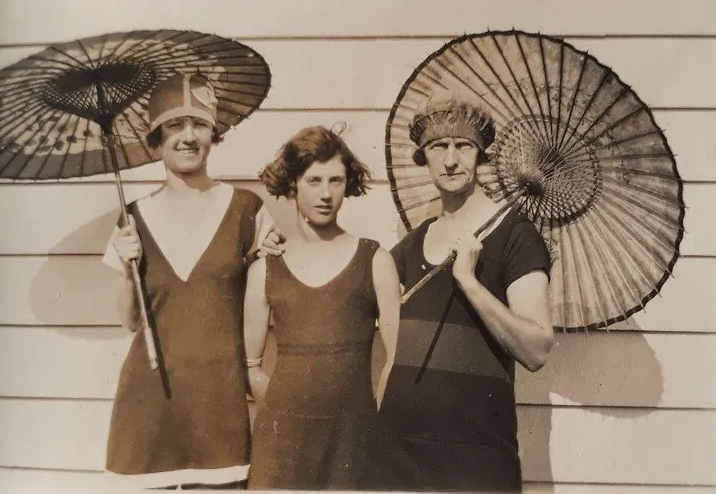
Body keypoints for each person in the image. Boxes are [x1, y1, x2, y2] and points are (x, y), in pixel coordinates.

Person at [358, 94, 554, 492]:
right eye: (437, 147)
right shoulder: (412, 245)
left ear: (480, 154)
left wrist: (469, 281)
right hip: (398, 453)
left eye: (463, 146)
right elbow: (350, 293)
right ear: (423, 157)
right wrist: (275, 249)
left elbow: (537, 349)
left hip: (476, 457)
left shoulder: (516, 236)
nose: (450, 160)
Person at [101, 73, 284, 490]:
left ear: (214, 132)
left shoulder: (246, 209)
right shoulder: (132, 217)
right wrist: (129, 267)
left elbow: (264, 300)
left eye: (198, 124)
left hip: (218, 403)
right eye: (173, 125)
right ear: (156, 138)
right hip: (150, 406)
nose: (187, 137)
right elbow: (131, 321)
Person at [242, 125, 401, 491]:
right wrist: (290, 407)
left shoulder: (374, 259)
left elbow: (395, 358)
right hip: (282, 445)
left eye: (336, 181)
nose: (326, 194)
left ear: (349, 184)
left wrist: (363, 420)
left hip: (352, 441)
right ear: (293, 183)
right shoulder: (266, 267)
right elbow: (250, 365)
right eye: (313, 181)